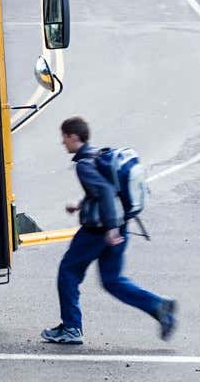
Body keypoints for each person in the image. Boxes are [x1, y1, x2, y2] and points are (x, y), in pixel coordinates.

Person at [41, 117, 176, 345]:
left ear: (74, 137)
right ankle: (158, 306)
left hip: (99, 230)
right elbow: (106, 190)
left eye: (64, 137)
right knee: (112, 280)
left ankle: (72, 328)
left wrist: (110, 228)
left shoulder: (84, 164)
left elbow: (104, 191)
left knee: (68, 272)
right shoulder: (98, 156)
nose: (62, 143)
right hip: (119, 225)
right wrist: (81, 205)